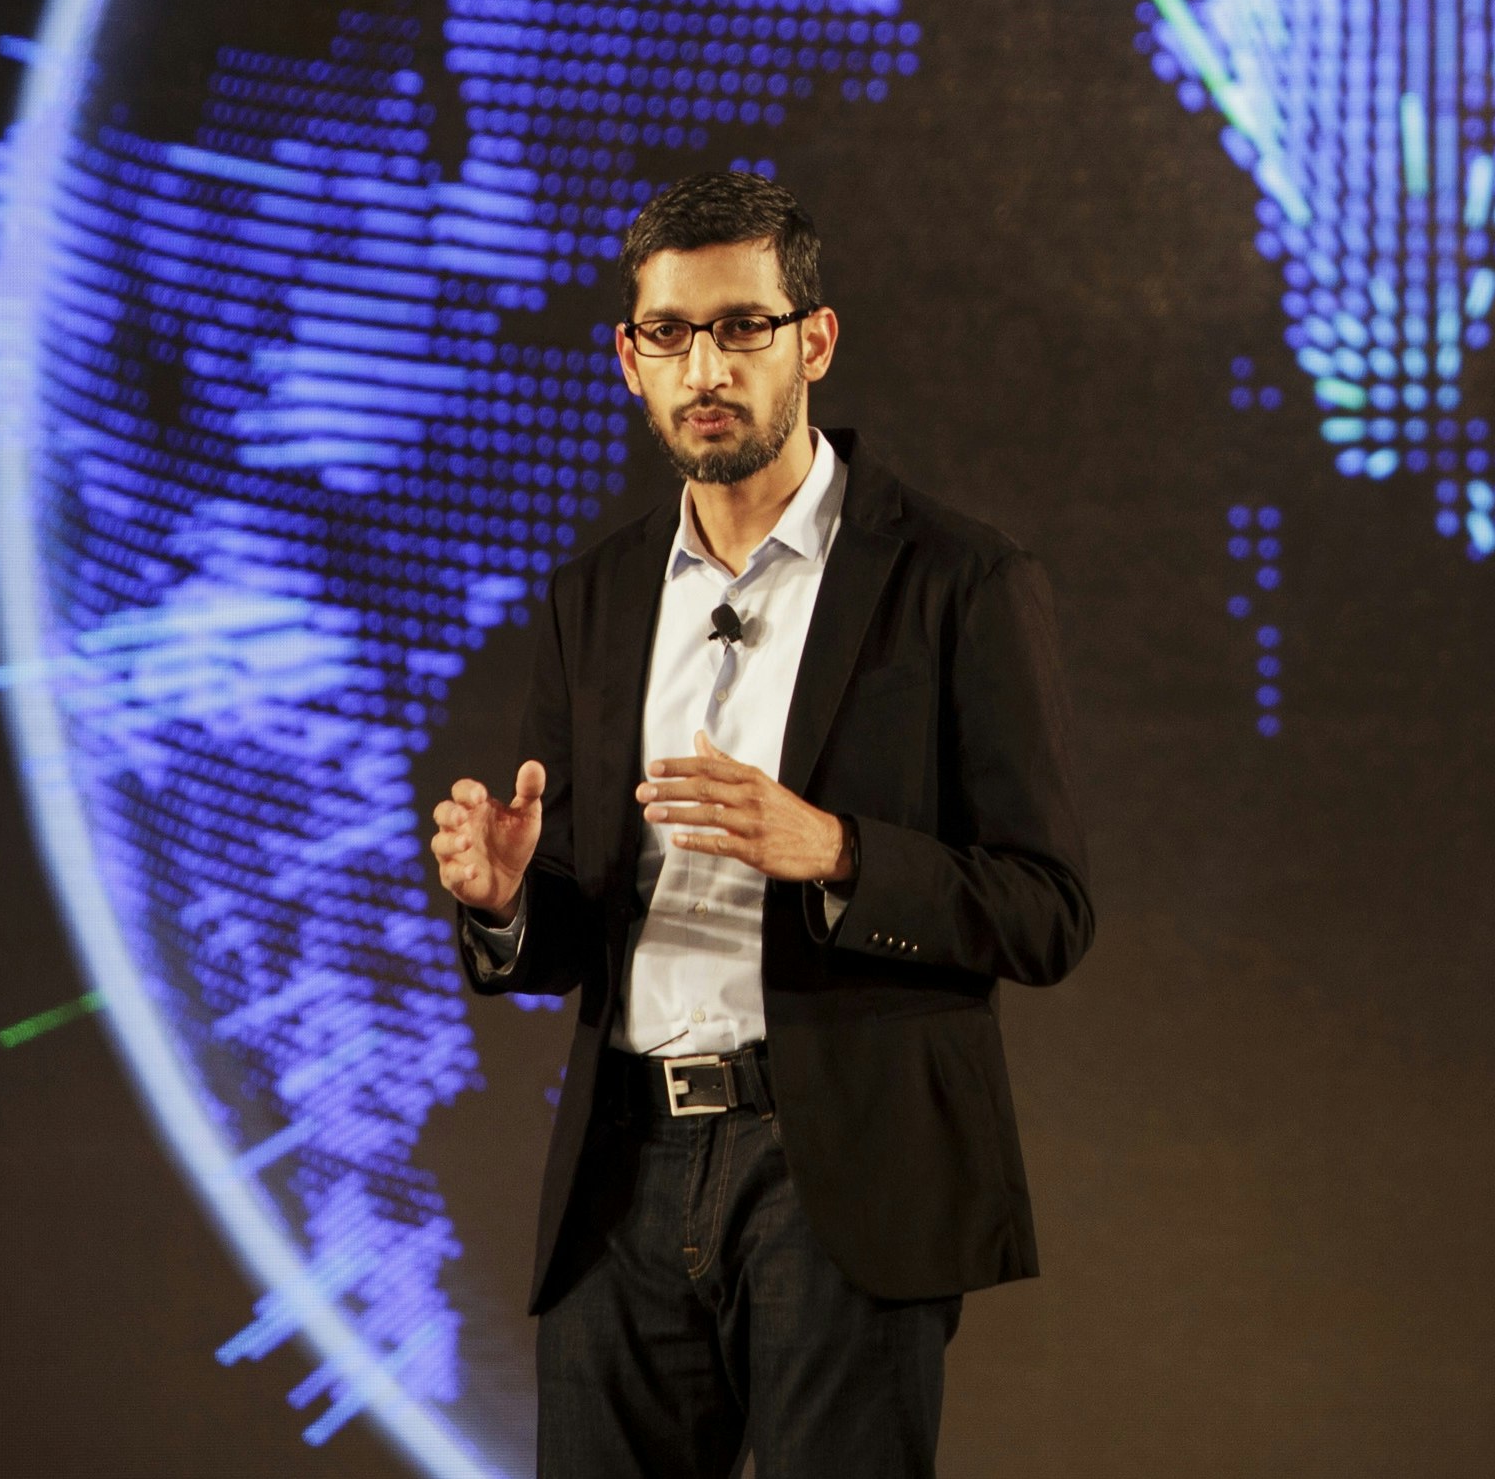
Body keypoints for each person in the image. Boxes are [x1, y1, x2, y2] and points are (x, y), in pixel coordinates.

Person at [427, 171, 1093, 1479]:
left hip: (839, 1174)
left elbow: (1047, 910)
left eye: (742, 327)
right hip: (624, 1173)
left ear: (814, 341)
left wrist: (838, 853)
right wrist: (506, 904)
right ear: (629, 360)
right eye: (670, 334)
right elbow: (570, 934)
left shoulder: (957, 579)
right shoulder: (595, 597)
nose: (707, 368)